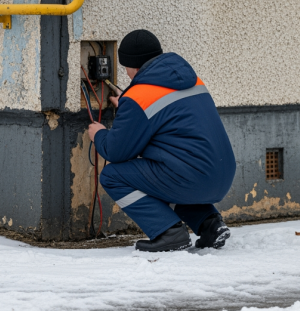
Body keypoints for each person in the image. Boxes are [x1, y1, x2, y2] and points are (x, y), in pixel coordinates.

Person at [87, 29, 237, 252]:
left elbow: (115, 151)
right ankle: (210, 225)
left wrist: (99, 133)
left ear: (132, 66)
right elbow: (168, 116)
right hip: (222, 175)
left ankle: (168, 232)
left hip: (191, 179)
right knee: (168, 173)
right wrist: (129, 105)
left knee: (113, 176)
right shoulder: (192, 80)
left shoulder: (139, 96)